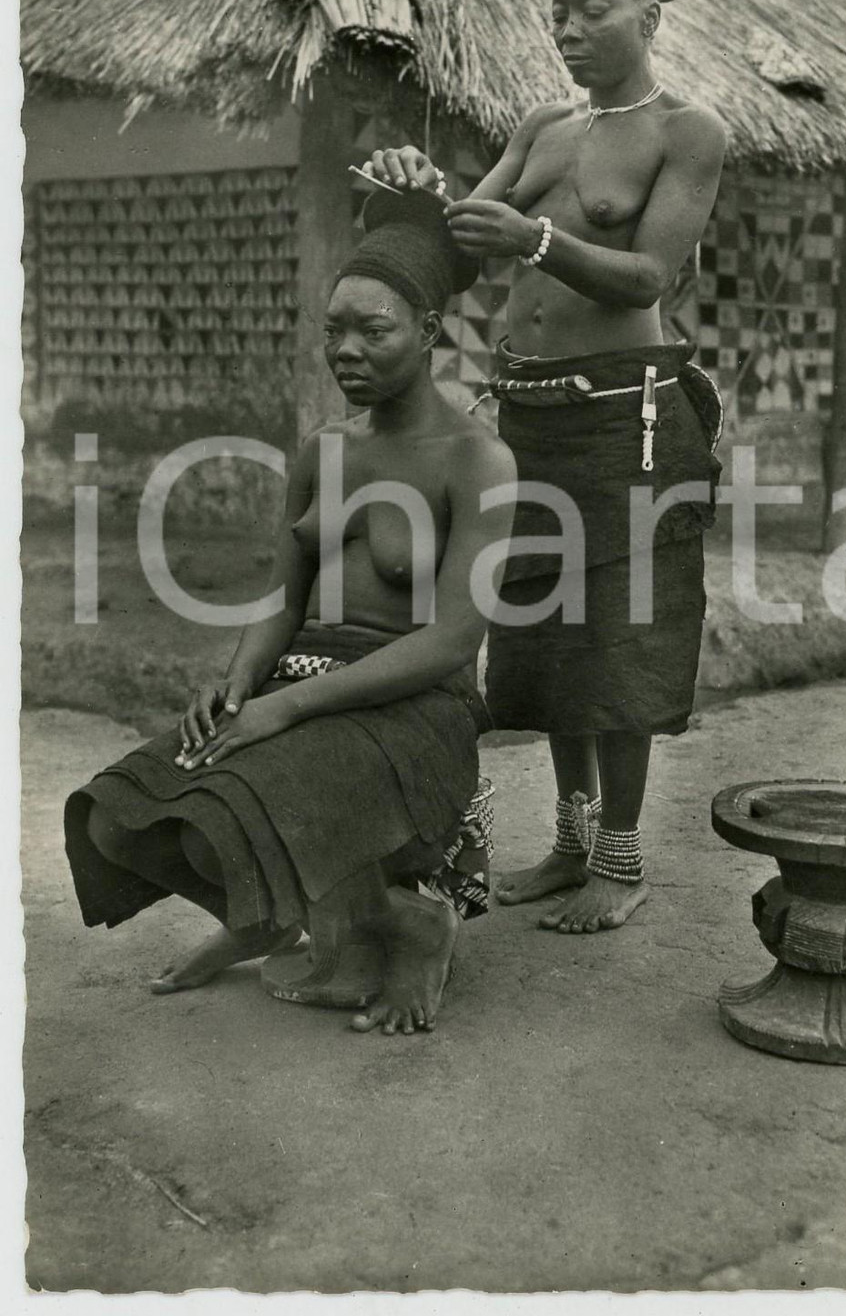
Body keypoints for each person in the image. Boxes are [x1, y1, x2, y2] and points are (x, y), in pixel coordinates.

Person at [64, 188, 517, 1035]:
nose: (345, 350)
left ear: (426, 333)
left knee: (251, 793)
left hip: (414, 711)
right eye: (333, 331)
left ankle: (410, 925)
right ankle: (272, 915)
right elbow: (284, 595)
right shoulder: (326, 448)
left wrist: (286, 704)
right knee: (121, 817)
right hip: (297, 677)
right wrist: (239, 679)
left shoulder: (477, 460)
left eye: (371, 331)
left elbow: (457, 636)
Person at [364, 0, 725, 936]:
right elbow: (467, 236)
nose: (565, 29)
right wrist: (417, 188)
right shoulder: (542, 126)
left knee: (617, 636)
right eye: (556, 11)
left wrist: (534, 243)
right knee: (542, 631)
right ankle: (567, 843)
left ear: (648, 18)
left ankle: (620, 857)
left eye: (591, 8)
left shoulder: (687, 130)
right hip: (525, 417)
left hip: (627, 418)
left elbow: (647, 272)